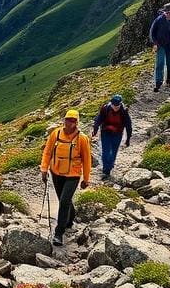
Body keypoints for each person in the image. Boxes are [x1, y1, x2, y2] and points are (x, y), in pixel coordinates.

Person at [40, 109, 91, 246]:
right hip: (55, 172)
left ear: (77, 122)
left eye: (73, 121)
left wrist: (86, 179)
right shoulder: (55, 134)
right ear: (64, 120)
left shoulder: (82, 139)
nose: (70, 123)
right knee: (65, 200)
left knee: (63, 202)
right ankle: (69, 219)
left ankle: (58, 233)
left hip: (73, 175)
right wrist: (44, 169)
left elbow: (87, 160)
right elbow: (47, 152)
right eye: (68, 119)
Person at [91, 94, 132, 180]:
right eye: (114, 105)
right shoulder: (105, 109)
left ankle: (109, 166)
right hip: (106, 132)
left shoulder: (124, 112)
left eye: (117, 106)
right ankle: (106, 170)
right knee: (106, 152)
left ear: (120, 104)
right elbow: (98, 120)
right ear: (111, 103)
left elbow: (128, 126)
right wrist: (95, 130)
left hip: (117, 134)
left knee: (113, 152)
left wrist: (128, 139)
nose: (115, 107)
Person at [149, 3, 170, 92]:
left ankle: (169, 79)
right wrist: (155, 43)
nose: (168, 15)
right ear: (164, 13)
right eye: (167, 13)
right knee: (160, 62)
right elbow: (152, 32)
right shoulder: (159, 20)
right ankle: (158, 82)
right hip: (160, 44)